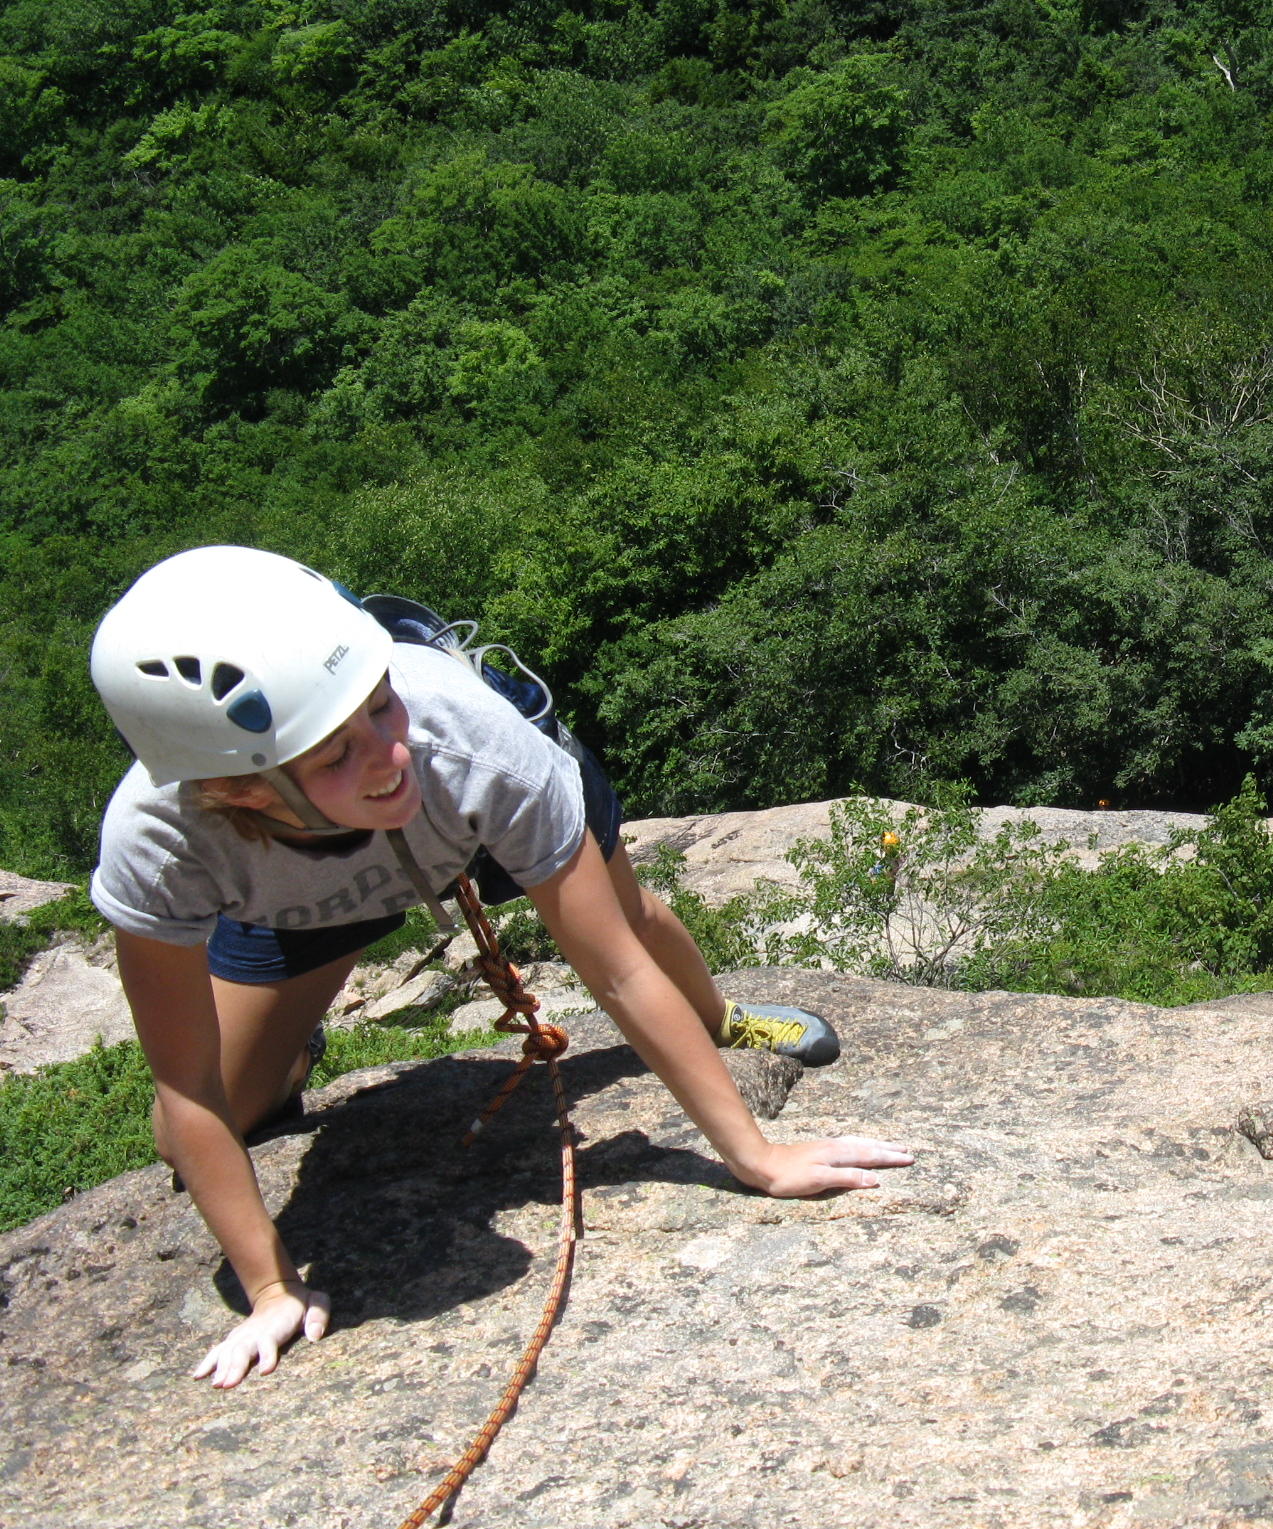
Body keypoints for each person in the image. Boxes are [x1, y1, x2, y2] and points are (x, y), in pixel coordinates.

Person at [88, 546, 913, 1390]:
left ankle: (718, 1017)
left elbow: (618, 972)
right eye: (335, 753)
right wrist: (271, 1288)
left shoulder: (461, 739)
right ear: (241, 794)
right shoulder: (162, 847)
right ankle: (295, 1044)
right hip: (294, 892)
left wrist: (755, 1155)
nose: (386, 752)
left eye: (380, 703)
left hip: (471, 817)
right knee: (205, 1117)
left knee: (624, 917)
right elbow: (185, 1090)